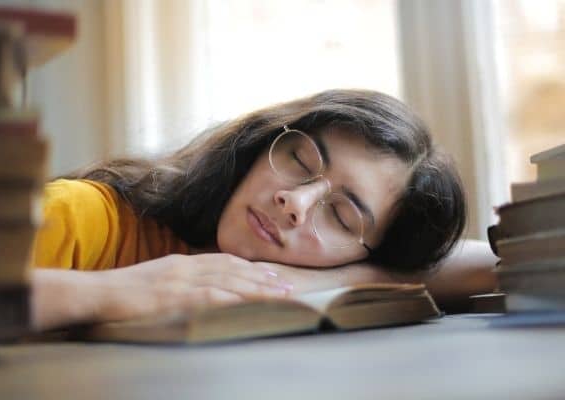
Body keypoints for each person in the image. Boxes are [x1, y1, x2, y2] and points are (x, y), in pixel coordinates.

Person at [30, 89, 498, 331]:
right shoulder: (86, 216)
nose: (295, 202)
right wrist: (106, 293)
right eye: (297, 160)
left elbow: (493, 263)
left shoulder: (344, 268)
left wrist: (354, 280)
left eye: (340, 217)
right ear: (261, 143)